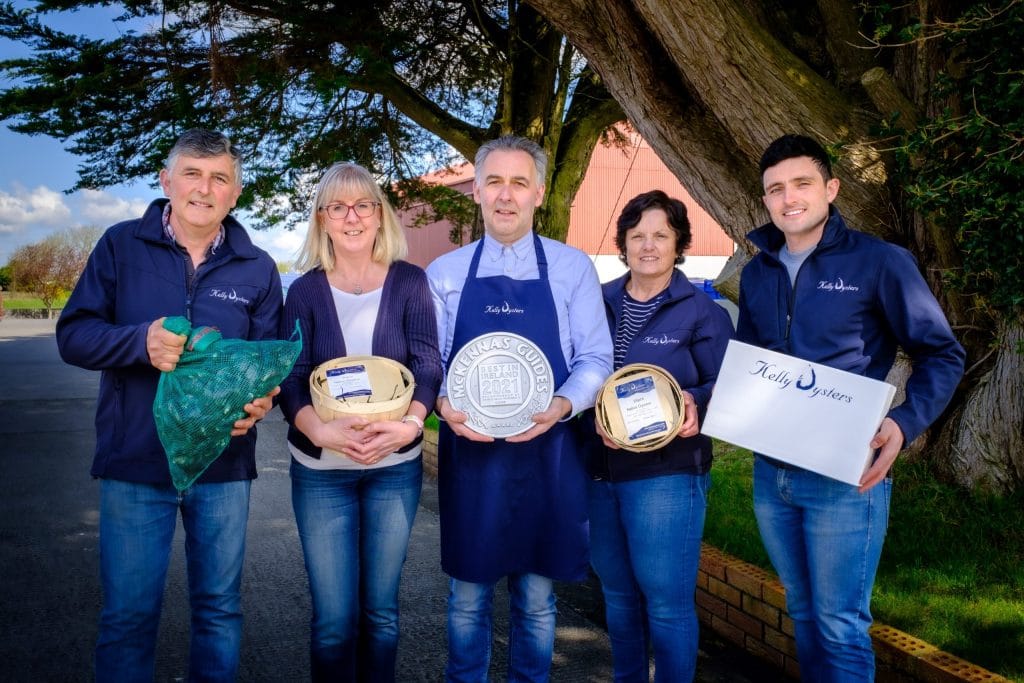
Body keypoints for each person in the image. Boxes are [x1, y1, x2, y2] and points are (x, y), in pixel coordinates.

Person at [56, 128, 283, 681]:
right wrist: (141, 342)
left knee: (219, 611)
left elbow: (268, 364)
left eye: (219, 178)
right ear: (166, 181)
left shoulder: (258, 267)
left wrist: (263, 400)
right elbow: (74, 335)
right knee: (128, 617)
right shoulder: (119, 245)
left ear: (235, 193)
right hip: (135, 463)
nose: (204, 188)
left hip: (224, 468)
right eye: (192, 174)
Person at [737, 134, 965, 681]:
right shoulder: (757, 271)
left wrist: (904, 422)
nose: (789, 198)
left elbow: (942, 353)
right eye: (775, 189)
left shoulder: (879, 262)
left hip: (846, 474)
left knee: (840, 625)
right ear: (765, 200)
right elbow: (746, 361)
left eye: (802, 183)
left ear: (831, 188)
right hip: (772, 474)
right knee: (802, 610)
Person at [426, 135, 613, 681]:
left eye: (519, 182)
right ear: (477, 191)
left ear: (539, 192)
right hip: (472, 454)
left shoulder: (572, 268)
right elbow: (431, 361)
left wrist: (564, 403)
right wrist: (441, 403)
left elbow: (595, 357)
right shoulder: (444, 272)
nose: (506, 195)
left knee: (535, 600)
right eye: (494, 182)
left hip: (548, 454)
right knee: (467, 597)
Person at [277, 162, 442, 681]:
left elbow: (428, 365)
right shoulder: (304, 292)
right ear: (322, 219)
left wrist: (409, 426)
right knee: (333, 622)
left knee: (381, 615)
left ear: (379, 214)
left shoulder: (410, 282)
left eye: (363, 205)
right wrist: (320, 430)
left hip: (394, 468)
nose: (352, 217)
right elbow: (291, 377)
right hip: (321, 472)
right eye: (338, 207)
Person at [588, 190, 733, 681]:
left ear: (679, 244)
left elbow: (727, 385)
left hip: (667, 473)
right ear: (623, 243)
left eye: (661, 235)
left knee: (666, 603)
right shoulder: (595, 301)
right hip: (599, 470)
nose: (648, 246)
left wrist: (695, 399)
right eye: (637, 236)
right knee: (617, 596)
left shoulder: (702, 311)